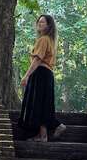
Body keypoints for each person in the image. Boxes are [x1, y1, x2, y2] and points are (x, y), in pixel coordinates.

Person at [18, 14, 66, 142]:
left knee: (38, 103)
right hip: (47, 74)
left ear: (49, 25)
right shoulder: (50, 40)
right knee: (42, 103)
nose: (39, 24)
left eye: (43, 22)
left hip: (40, 73)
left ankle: (50, 130)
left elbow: (37, 60)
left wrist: (26, 76)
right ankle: (43, 134)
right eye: (39, 22)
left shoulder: (44, 40)